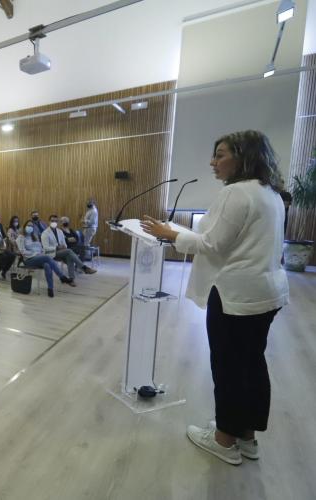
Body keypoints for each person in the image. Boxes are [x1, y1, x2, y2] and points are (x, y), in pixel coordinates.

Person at [140, 130, 289, 466]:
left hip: (236, 296)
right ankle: (246, 437)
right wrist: (177, 233)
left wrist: (170, 234)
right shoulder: (270, 193)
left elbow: (211, 245)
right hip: (265, 293)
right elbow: (229, 239)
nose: (212, 162)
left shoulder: (236, 192)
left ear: (243, 157)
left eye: (220, 155)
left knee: (229, 367)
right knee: (252, 363)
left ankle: (223, 440)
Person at [17, 220, 74, 297]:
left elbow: (41, 248)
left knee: (47, 265)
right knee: (47, 257)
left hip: (39, 257)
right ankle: (62, 277)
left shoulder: (34, 237)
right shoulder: (21, 237)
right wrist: (35, 254)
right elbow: (22, 251)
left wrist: (41, 253)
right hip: (29, 259)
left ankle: (50, 288)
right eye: (28, 225)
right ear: (24, 227)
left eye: (31, 226)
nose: (30, 227)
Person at [41, 215, 97, 281]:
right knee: (69, 251)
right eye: (52, 221)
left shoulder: (59, 231)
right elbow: (45, 248)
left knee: (69, 257)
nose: (54, 222)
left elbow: (65, 243)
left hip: (61, 251)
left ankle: (71, 279)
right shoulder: (45, 233)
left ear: (58, 222)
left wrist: (64, 246)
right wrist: (57, 247)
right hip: (51, 253)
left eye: (56, 221)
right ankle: (84, 268)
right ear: (49, 222)